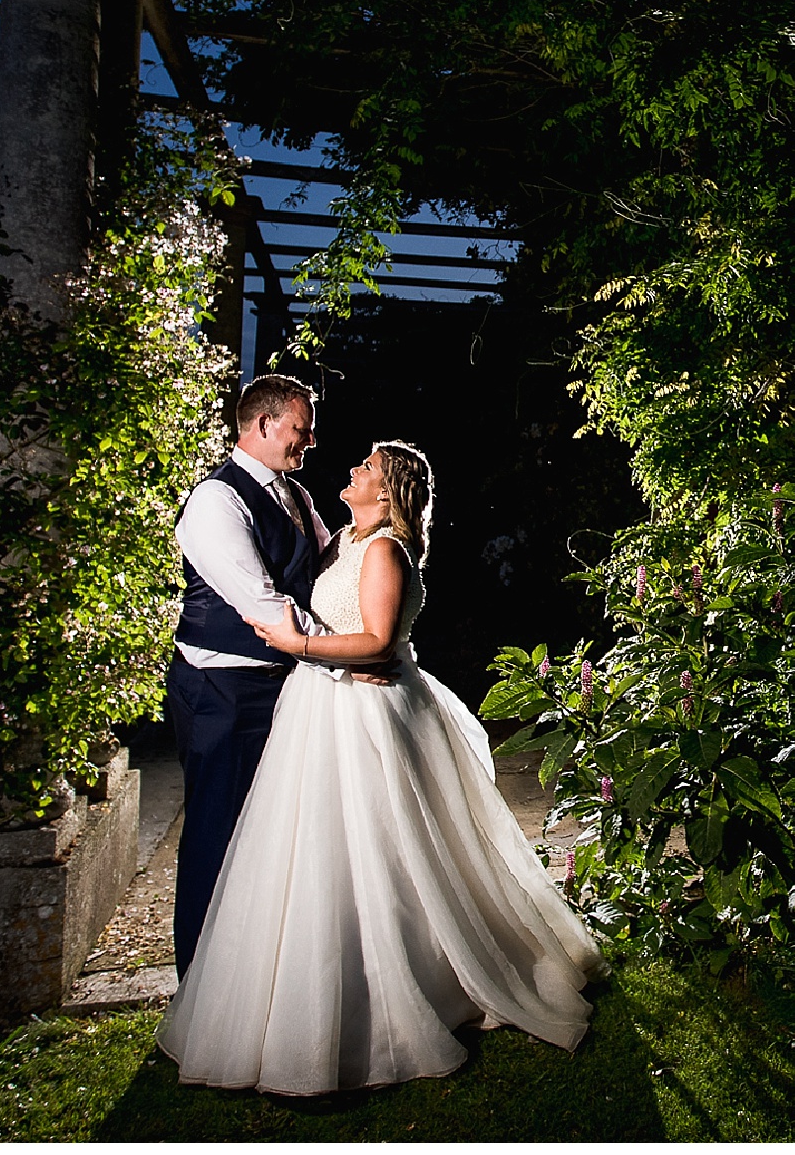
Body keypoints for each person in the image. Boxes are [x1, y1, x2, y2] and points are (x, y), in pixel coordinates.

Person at [158, 440, 603, 1095]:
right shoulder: (342, 536)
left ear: (388, 492)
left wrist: (296, 643)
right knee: (320, 854)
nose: (352, 471)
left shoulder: (385, 551)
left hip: (368, 715)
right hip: (322, 708)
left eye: (365, 468)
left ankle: (406, 982)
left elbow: (377, 641)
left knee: (383, 848)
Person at [168, 374, 393, 979]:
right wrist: (346, 654)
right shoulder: (216, 501)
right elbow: (264, 603)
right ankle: (200, 977)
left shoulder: (293, 494)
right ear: (264, 424)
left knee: (272, 831)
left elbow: (328, 567)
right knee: (217, 828)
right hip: (224, 690)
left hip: (283, 684)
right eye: (301, 428)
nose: (311, 441)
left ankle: (259, 967)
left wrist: (366, 635)